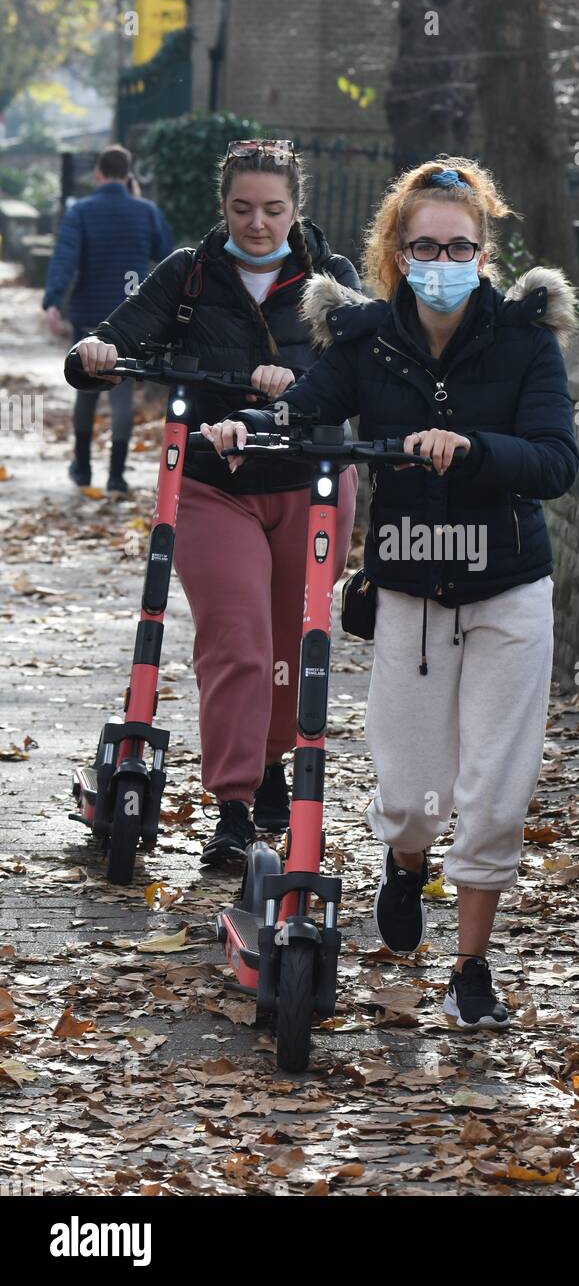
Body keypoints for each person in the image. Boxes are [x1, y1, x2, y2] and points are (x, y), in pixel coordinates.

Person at [202, 156, 579, 1030]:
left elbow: (556, 460)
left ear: (483, 249)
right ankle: (406, 862)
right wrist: (246, 429)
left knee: (495, 792)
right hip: (409, 590)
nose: (442, 259)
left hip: (508, 588)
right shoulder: (366, 336)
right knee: (411, 794)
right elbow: (306, 413)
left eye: (459, 245)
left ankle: (471, 969)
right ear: (395, 250)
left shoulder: (524, 339)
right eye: (424, 244)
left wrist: (475, 448)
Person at [63, 139, 360, 860]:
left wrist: (298, 381)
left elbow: (369, 365)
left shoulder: (333, 277)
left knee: (294, 645)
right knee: (236, 641)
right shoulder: (188, 275)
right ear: (223, 207)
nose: (257, 224)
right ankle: (233, 803)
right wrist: (95, 355)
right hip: (210, 483)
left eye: (273, 209)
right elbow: (116, 335)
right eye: (241, 208)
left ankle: (270, 764)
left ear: (296, 208)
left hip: (309, 484)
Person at [44, 142, 175, 493]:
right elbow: (168, 260)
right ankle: (117, 474)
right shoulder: (146, 212)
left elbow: (65, 258)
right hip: (132, 320)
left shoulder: (81, 212)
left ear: (98, 174)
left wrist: (53, 300)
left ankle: (83, 467)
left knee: (86, 392)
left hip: (89, 316)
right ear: (128, 175)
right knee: (121, 396)